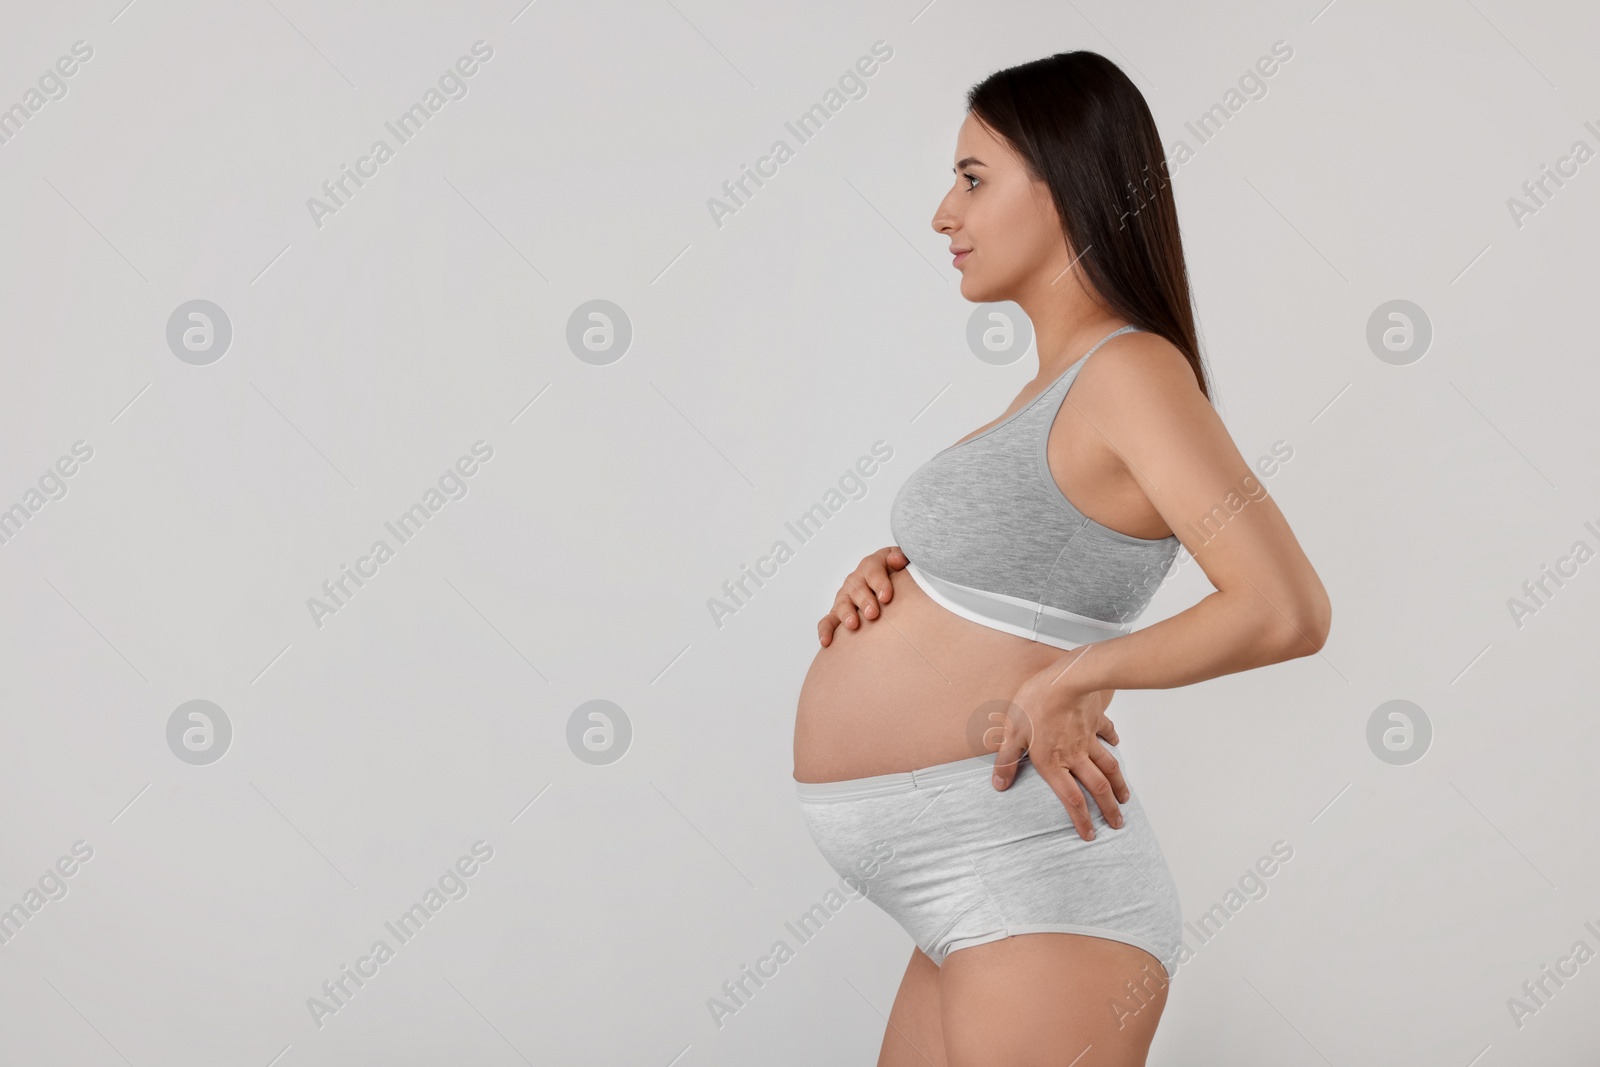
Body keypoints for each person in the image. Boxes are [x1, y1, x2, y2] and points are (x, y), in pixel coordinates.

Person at [791, 51, 1331, 1067]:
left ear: (1067, 180)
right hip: (968, 883)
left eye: (973, 178)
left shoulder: (1129, 369)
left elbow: (1285, 606)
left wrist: (1083, 674)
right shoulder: (1055, 389)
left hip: (1034, 881)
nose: (943, 214)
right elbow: (1032, 567)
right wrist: (902, 573)